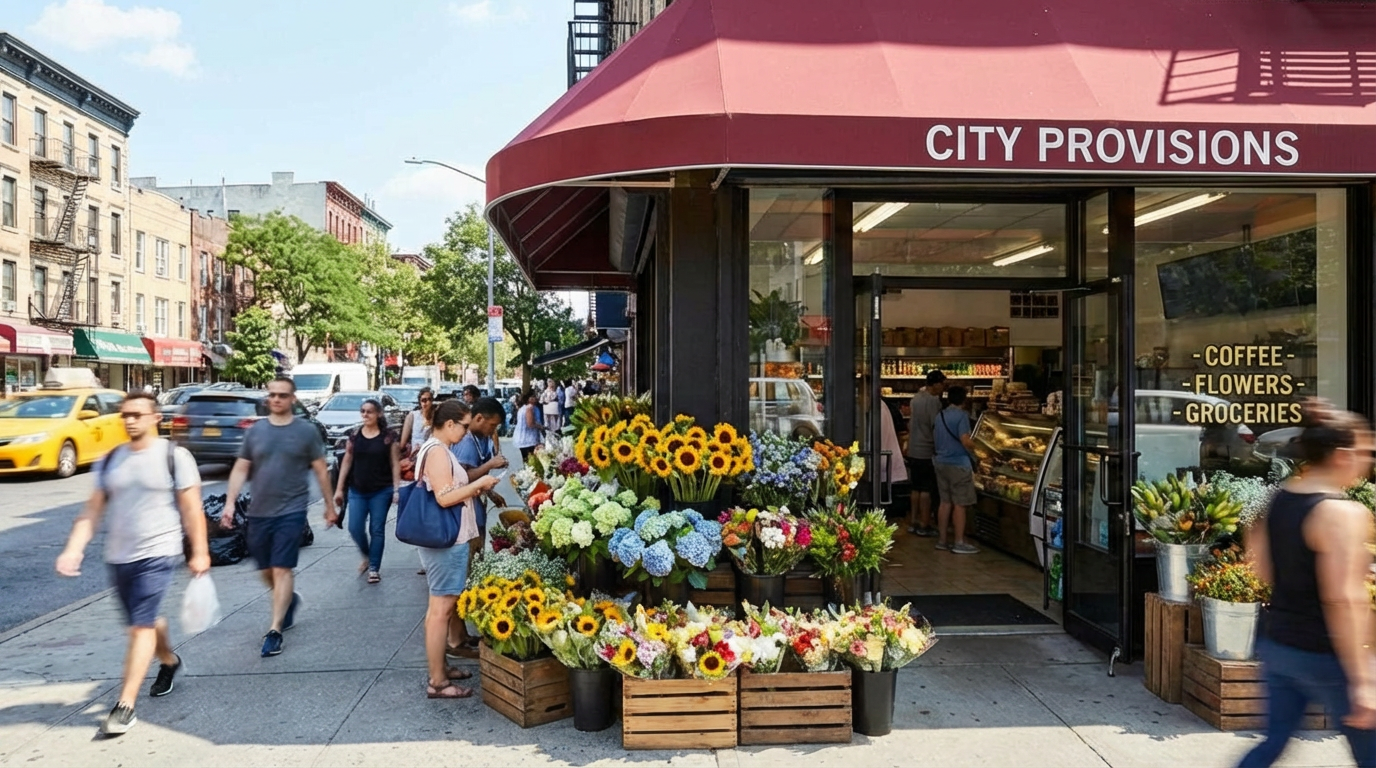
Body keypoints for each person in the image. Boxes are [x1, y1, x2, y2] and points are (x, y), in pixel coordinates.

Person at [55, 392, 208, 735]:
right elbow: (93, 510)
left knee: (140, 627)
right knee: (144, 622)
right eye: (125, 415)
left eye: (137, 414)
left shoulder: (175, 456)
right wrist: (74, 548)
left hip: (159, 551)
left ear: (156, 418)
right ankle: (169, 660)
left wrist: (199, 550)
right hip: (119, 555)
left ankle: (125, 705)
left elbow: (191, 508)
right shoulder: (111, 460)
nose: (130, 421)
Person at [1238, 402, 1376, 767]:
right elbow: (1343, 598)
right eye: (1366, 453)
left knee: (1272, 744)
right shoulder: (1341, 513)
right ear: (1343, 456)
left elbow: (1263, 570)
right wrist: (1363, 680)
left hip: (1279, 644)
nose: (1368, 461)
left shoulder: (1279, 499)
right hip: (1325, 654)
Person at [222, 376, 338, 658]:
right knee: (265, 569)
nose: (276, 399)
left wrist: (329, 505)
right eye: (272, 395)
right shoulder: (256, 431)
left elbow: (321, 470)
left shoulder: (306, 432)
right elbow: (241, 467)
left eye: (282, 395)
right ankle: (288, 600)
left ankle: (274, 631)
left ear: (292, 399)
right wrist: (229, 503)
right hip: (259, 511)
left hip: (292, 510)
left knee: (282, 567)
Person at [415, 399, 500, 698]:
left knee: (440, 607)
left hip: (446, 539)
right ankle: (438, 681)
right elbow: (444, 497)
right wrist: (480, 484)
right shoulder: (438, 451)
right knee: (441, 609)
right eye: (463, 425)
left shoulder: (436, 448)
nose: (466, 431)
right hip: (446, 540)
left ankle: (441, 667)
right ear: (449, 424)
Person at [333, 398, 401, 584]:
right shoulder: (355, 436)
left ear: (378, 413)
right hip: (358, 490)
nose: (365, 415)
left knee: (376, 529)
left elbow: (395, 464)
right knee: (354, 527)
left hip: (382, 490)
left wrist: (396, 489)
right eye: (362, 411)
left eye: (369, 411)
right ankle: (367, 554)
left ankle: (373, 568)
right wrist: (339, 489)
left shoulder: (388, 437)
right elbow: (346, 462)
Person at [931, 385, 979, 555]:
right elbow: (965, 440)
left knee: (945, 502)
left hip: (940, 462)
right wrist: (980, 449)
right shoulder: (962, 416)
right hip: (958, 464)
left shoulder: (940, 416)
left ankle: (942, 540)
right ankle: (959, 541)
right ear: (964, 400)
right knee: (960, 504)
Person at [906, 370, 947, 537]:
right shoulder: (933, 401)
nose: (943, 388)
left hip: (913, 447)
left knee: (915, 487)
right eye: (942, 384)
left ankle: (913, 521)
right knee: (926, 489)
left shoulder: (916, 398)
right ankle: (924, 524)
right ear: (936, 384)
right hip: (926, 448)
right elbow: (934, 425)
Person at [515, 390, 543, 461]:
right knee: (531, 462)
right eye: (533, 397)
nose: (535, 398)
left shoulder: (523, 407)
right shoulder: (530, 408)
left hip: (523, 439)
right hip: (528, 439)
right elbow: (530, 423)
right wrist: (541, 427)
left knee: (527, 461)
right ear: (528, 399)